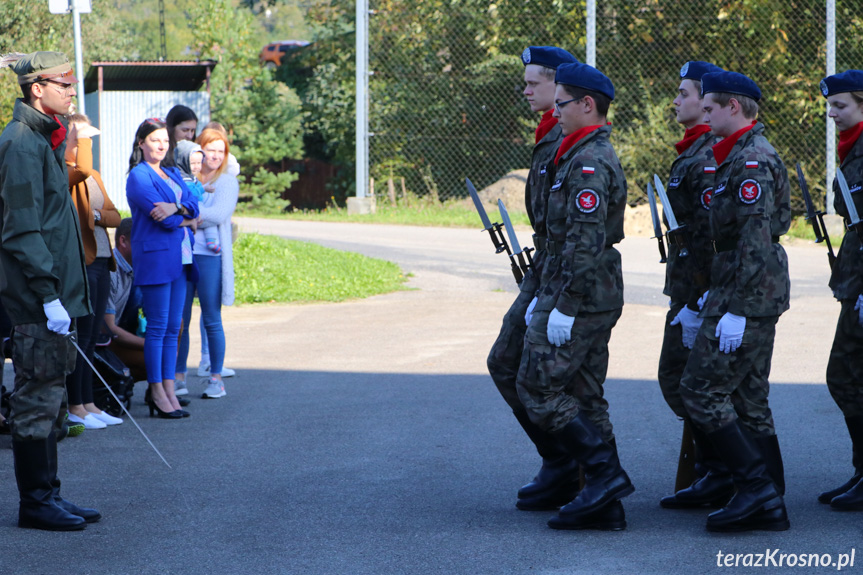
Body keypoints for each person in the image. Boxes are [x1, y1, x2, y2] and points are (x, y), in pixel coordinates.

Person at [515, 62, 631, 531]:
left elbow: (585, 241)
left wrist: (563, 304)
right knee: (584, 393)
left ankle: (604, 476)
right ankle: (604, 503)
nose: (555, 110)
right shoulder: (576, 151)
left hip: (581, 293)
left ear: (587, 105)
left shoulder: (589, 160)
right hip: (581, 288)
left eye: (563, 102)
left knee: (536, 385)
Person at [679, 71, 791, 532]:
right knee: (747, 396)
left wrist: (739, 310)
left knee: (700, 390)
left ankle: (756, 488)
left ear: (734, 107)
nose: (703, 116)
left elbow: (755, 241)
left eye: (710, 109)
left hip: (750, 292)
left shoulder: (751, 162)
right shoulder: (735, 156)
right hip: (739, 286)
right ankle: (769, 499)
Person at [0, 51, 100, 531]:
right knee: (37, 398)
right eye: (61, 83)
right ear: (36, 88)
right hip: (36, 298)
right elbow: (21, 230)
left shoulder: (44, 139)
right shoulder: (21, 142)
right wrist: (46, 293)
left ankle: (49, 495)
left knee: (51, 396)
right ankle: (36, 502)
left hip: (51, 296)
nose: (70, 90)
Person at [486, 45, 579, 513]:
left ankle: (583, 471)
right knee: (505, 361)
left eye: (532, 82)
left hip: (564, 272)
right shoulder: (549, 135)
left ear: (558, 86)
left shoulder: (569, 139)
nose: (524, 90)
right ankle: (559, 460)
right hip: (544, 265)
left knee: (560, 378)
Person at [654, 61, 730, 508]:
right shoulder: (692, 150)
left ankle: (724, 471)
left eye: (684, 93)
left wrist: (705, 297)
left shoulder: (705, 157)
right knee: (679, 379)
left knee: (694, 382)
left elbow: (711, 234)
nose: (676, 101)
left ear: (706, 104)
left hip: (702, 290)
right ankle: (713, 468)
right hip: (688, 287)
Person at [126, 118, 199, 419]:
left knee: (174, 329)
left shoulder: (171, 173)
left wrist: (177, 208)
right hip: (156, 258)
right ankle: (156, 391)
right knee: (157, 328)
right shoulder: (138, 176)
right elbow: (166, 220)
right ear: (141, 142)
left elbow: (196, 204)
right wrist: (182, 215)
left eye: (165, 141)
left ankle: (169, 389)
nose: (161, 145)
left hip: (181, 259)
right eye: (155, 140)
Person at [818, 70, 863, 510]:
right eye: (830, 106)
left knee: (847, 375)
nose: (832, 114)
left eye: (841, 106)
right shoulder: (851, 150)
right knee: (848, 376)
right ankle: (860, 472)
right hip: (854, 280)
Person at [65, 113, 123, 431]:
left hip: (103, 261)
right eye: (84, 137)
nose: (88, 143)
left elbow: (114, 216)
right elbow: (79, 215)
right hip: (84, 262)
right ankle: (76, 406)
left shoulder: (94, 175)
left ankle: (89, 404)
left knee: (92, 337)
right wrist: (97, 215)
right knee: (82, 335)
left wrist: (98, 213)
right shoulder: (69, 172)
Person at [175, 128, 238, 399]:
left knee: (212, 317)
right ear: (199, 149)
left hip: (211, 256)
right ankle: (178, 378)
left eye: (220, 151)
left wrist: (188, 215)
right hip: (183, 253)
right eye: (210, 149)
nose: (215, 155)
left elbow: (219, 213)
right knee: (181, 318)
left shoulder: (227, 180)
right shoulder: (184, 175)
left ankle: (216, 378)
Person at [104, 218, 147, 383]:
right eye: (142, 241)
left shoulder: (138, 266)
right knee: (157, 358)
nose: (147, 246)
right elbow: (108, 329)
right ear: (123, 241)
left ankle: (160, 390)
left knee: (175, 324)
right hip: (107, 342)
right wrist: (149, 344)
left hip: (126, 330)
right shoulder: (110, 272)